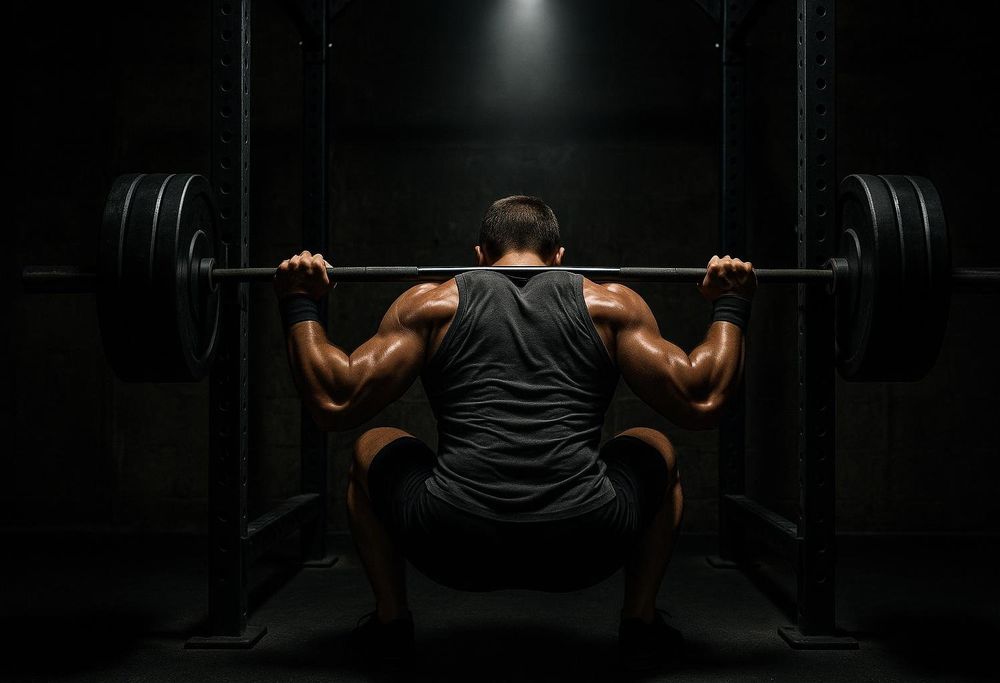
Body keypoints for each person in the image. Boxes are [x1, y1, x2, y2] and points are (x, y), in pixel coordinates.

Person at [274, 196, 755, 673]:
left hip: (453, 539)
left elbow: (334, 400)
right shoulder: (611, 305)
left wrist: (300, 300)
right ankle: (640, 624)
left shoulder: (431, 303)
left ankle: (390, 625)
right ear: (559, 256)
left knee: (369, 444)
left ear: (480, 254)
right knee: (656, 445)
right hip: (585, 541)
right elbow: (701, 399)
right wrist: (730, 302)